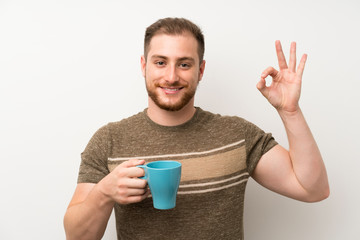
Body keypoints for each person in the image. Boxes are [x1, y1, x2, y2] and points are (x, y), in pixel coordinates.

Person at [64, 17, 329, 240]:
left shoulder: (237, 135)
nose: (171, 76)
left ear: (200, 70)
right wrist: (104, 193)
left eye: (184, 64)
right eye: (160, 62)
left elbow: (312, 189)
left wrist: (290, 111)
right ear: (144, 67)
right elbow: (76, 236)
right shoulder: (108, 140)